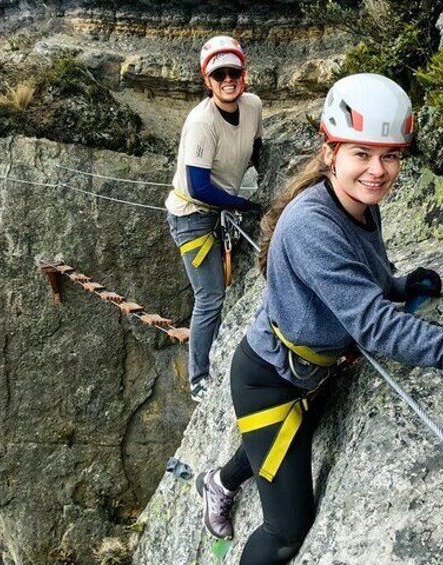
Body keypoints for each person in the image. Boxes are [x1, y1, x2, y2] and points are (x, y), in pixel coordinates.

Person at [194, 73, 443, 563]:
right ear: (331, 151)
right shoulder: (313, 223)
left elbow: (357, 280)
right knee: (287, 530)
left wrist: (398, 286)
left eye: (391, 155)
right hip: (271, 381)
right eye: (362, 153)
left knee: (286, 439)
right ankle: (220, 487)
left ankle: (220, 481)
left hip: (306, 370)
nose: (379, 170)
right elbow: (377, 326)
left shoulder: (355, 200)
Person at [166, 35, 264, 403]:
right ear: (207, 81)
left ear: (244, 75)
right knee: (210, 296)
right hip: (191, 215)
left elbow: (255, 148)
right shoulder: (200, 123)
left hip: (220, 208)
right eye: (219, 73)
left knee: (220, 291)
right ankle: (199, 378)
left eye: (233, 72)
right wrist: (242, 205)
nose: (228, 79)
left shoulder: (253, 106)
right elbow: (197, 187)